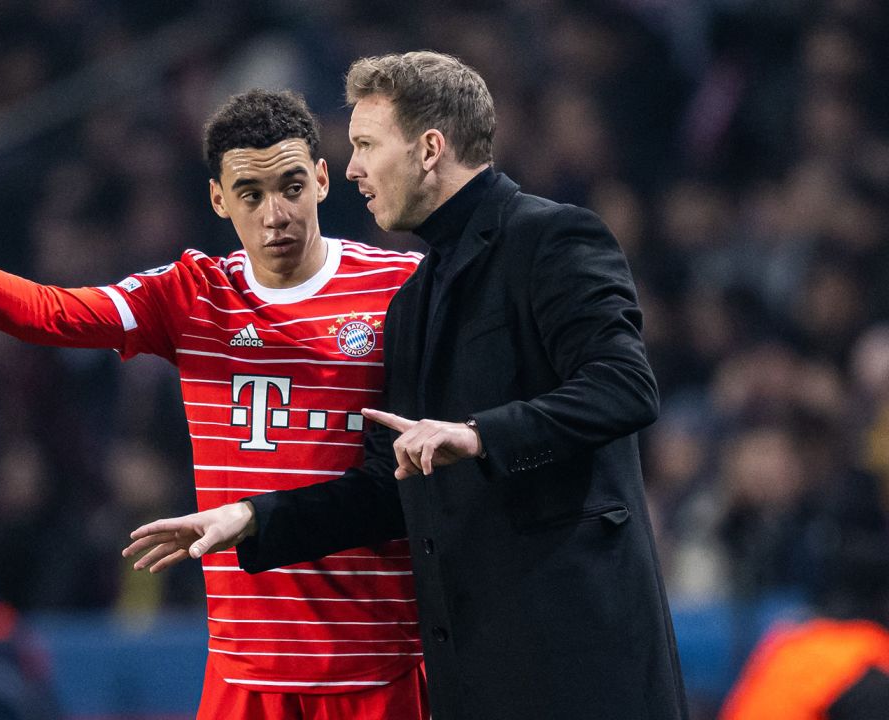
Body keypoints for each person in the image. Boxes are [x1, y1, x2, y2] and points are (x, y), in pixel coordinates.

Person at [126, 52, 689, 719]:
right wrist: (252, 517)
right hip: (472, 676)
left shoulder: (552, 237)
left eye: (365, 145)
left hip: (580, 663)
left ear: (429, 148)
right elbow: (384, 489)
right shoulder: (412, 300)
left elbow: (625, 387)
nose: (354, 168)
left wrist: (480, 435)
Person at [0, 90, 429, 719]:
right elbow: (58, 313)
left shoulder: (397, 287)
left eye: (291, 185)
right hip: (245, 665)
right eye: (250, 194)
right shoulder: (192, 295)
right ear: (219, 199)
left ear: (322, 179)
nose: (276, 214)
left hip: (373, 657)